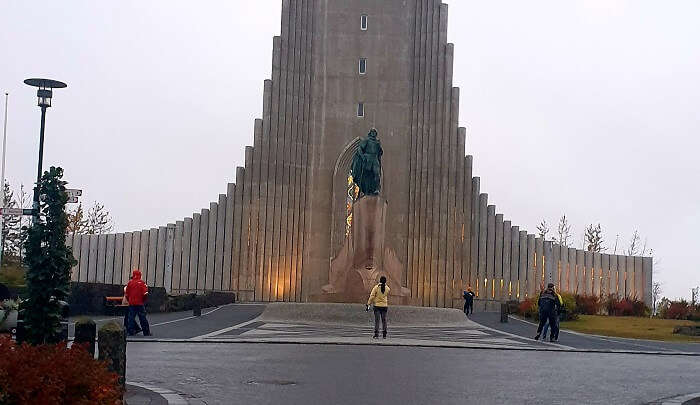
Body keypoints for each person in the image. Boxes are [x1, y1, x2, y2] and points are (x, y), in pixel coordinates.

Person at [125, 269, 151, 336]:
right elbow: (145, 294)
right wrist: (143, 301)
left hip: (132, 303)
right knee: (142, 318)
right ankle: (146, 332)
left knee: (131, 318)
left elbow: (126, 294)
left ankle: (130, 331)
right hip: (140, 303)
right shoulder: (142, 283)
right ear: (140, 275)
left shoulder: (129, 283)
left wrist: (129, 300)